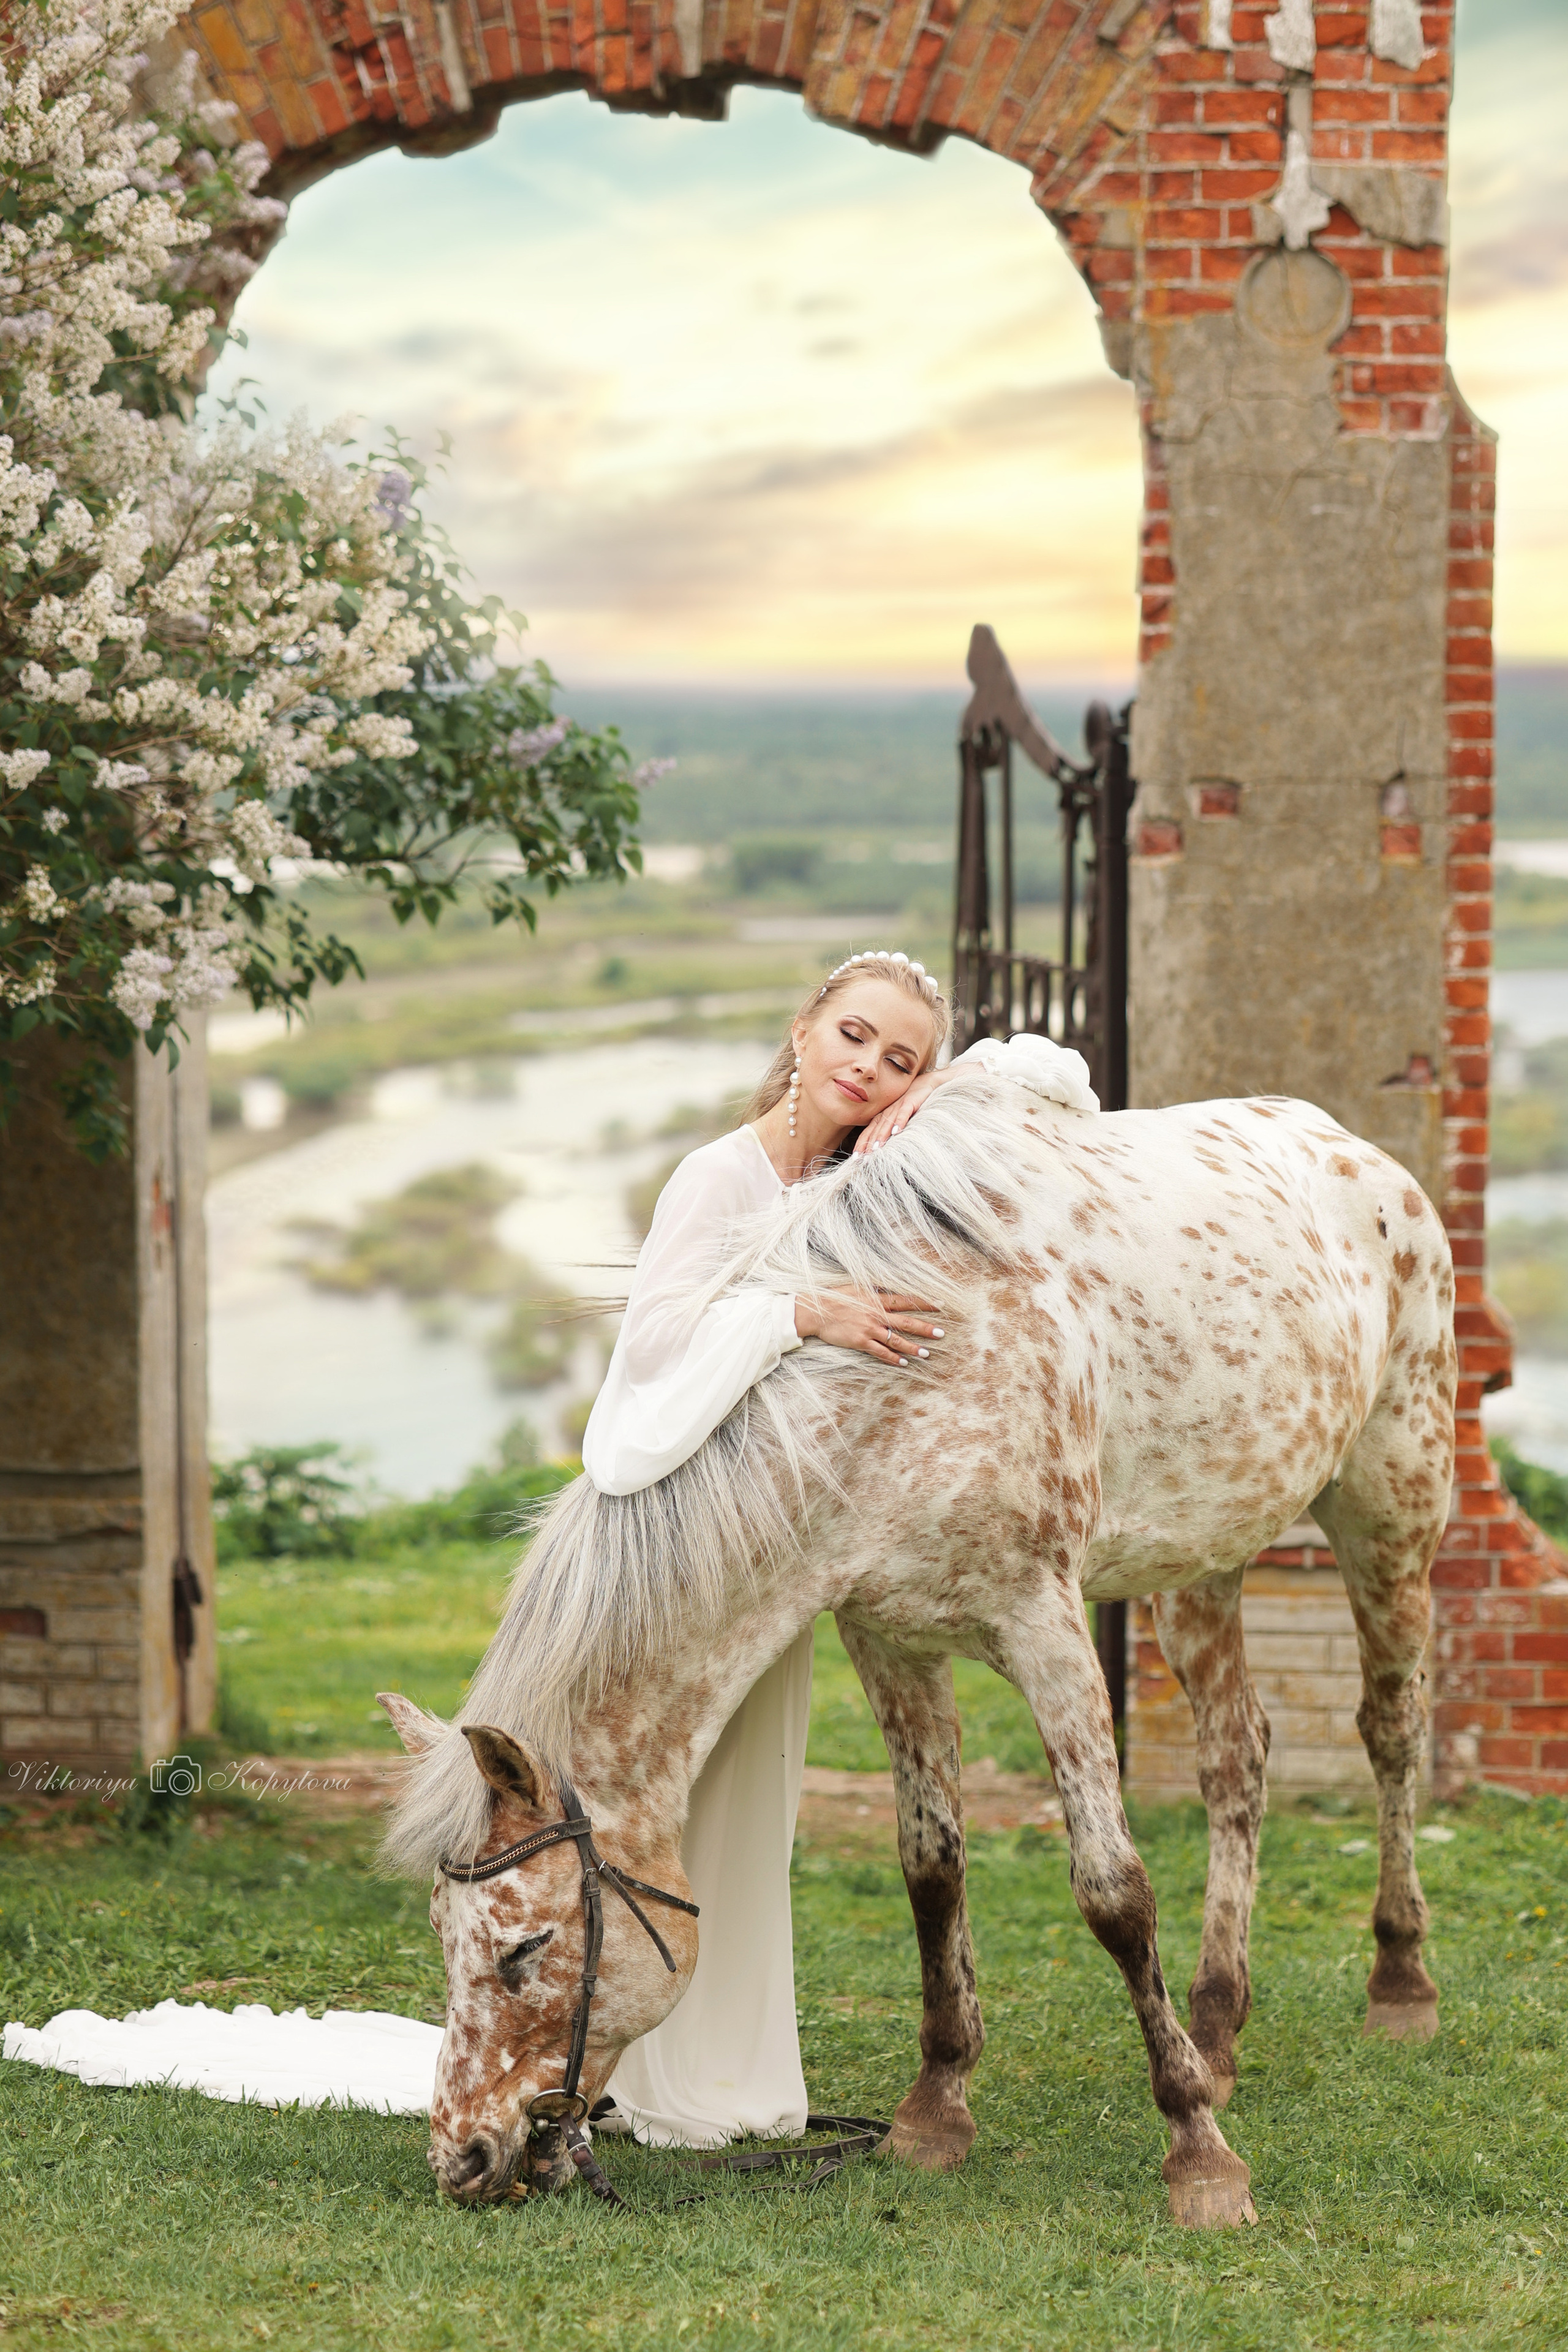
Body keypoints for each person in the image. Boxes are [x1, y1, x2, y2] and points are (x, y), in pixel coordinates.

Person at [584, 950, 1098, 2146]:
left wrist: (947, 1090)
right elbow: (656, 1342)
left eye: (897, 1059)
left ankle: (723, 2076)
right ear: (805, 1025)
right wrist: (799, 1313)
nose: (866, 1068)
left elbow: (1060, 1077)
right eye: (854, 1038)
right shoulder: (716, 1178)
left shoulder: (858, 1174)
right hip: (681, 1544)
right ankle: (632, 2063)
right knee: (671, 1802)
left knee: (749, 1819)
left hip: (772, 1553)